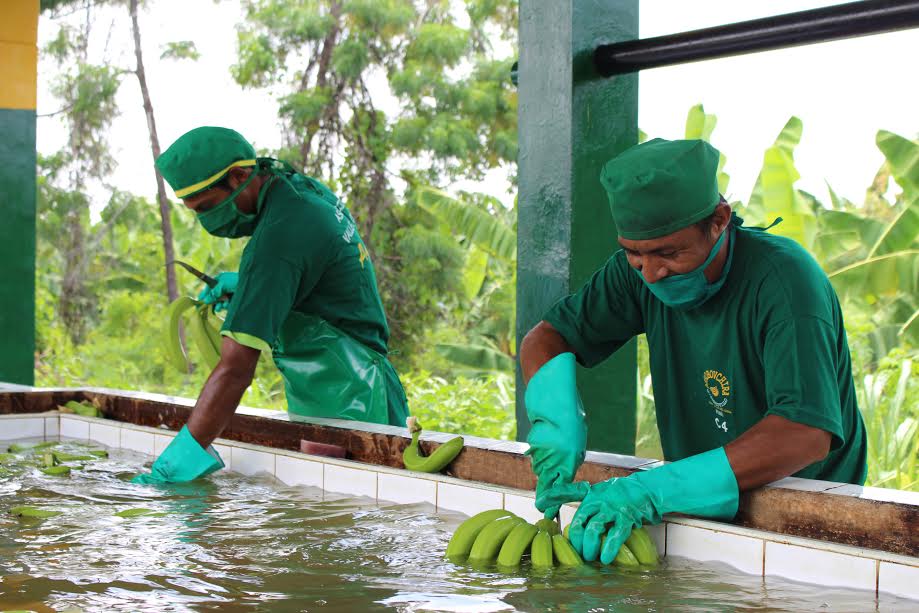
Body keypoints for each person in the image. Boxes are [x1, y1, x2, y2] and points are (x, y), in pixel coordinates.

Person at [521, 138, 867, 565]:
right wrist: (556, 422)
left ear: (719, 219)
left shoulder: (785, 281)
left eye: (669, 252)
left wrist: (651, 489)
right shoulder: (636, 275)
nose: (651, 272)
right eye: (633, 253)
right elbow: (546, 338)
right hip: (699, 501)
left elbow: (805, 432)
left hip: (812, 516)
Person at [134, 126, 409, 484]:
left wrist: (179, 459)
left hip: (350, 394)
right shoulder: (297, 189)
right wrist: (252, 287)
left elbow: (236, 369)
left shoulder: (276, 239)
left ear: (238, 176)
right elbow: (315, 267)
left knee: (335, 515)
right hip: (343, 382)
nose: (205, 222)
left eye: (207, 207)